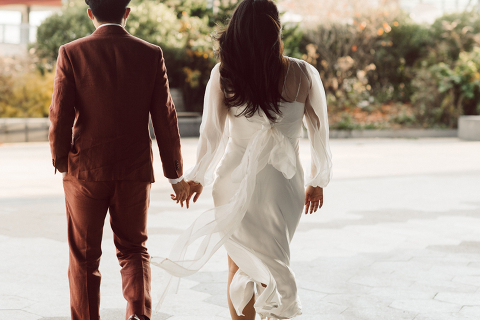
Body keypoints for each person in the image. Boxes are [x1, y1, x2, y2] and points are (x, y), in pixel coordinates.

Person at [153, 0, 332, 319]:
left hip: (234, 182)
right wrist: (318, 181)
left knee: (239, 265)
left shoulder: (225, 74)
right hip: (284, 184)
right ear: (275, 30)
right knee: (273, 261)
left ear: (237, 32)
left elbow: (212, 134)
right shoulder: (304, 73)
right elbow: (319, 132)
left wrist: (199, 175)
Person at [48, 0, 190, 319]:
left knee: (84, 257)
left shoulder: (71, 52)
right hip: (134, 170)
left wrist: (59, 159)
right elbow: (165, 117)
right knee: (134, 249)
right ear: (127, 12)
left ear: (90, 13)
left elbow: (60, 112)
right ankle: (139, 314)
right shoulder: (151, 53)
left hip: (85, 170)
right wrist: (175, 175)